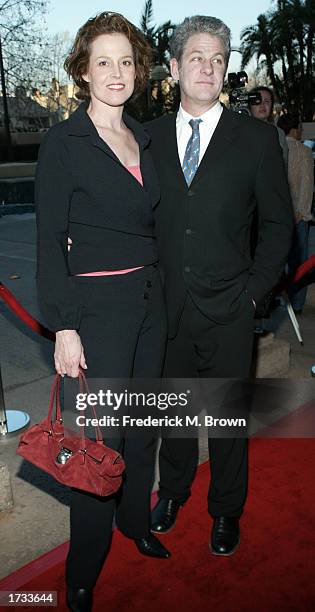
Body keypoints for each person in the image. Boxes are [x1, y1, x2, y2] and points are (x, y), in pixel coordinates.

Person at [36, 12, 168, 612]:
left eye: (126, 61)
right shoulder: (65, 143)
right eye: (103, 62)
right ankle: (81, 573)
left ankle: (135, 523)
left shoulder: (147, 137)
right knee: (98, 442)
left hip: (151, 302)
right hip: (97, 313)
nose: (116, 72)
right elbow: (48, 239)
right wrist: (64, 324)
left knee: (142, 429)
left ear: (137, 70)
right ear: (84, 72)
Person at [146, 16, 293, 556]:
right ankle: (174, 492)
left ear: (225, 70)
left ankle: (227, 509)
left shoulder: (255, 140)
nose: (207, 67)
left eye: (218, 59)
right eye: (196, 56)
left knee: (228, 421)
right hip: (167, 308)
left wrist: (255, 291)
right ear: (175, 66)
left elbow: (279, 226)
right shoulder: (149, 138)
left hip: (231, 307)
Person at [277, 113, 314, 313]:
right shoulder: (304, 151)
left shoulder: (274, 147)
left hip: (276, 216)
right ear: (294, 129)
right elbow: (307, 185)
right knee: (299, 262)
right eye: (299, 127)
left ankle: (277, 300)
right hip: (298, 216)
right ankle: (296, 304)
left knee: (277, 260)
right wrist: (303, 212)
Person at [249, 85, 288, 169]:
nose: (262, 105)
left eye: (266, 101)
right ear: (249, 106)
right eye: (257, 101)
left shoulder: (278, 133)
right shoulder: (241, 131)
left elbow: (283, 166)